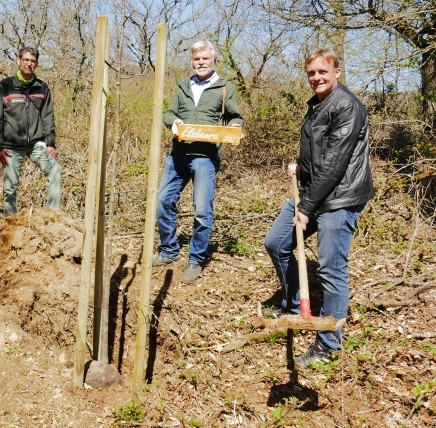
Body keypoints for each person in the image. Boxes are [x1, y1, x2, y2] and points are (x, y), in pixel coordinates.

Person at [264, 49, 374, 368]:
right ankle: (299, 305)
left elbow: (336, 163)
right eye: (311, 73)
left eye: (323, 72)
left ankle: (328, 345)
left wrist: (308, 206)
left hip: (341, 197)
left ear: (337, 72)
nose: (317, 78)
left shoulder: (347, 106)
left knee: (330, 266)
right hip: (314, 191)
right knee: (276, 242)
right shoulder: (317, 104)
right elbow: (319, 150)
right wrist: (300, 164)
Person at [152, 40, 244, 284]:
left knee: (202, 210)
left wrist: (235, 130)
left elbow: (235, 117)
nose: (201, 63)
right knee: (162, 201)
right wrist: (174, 124)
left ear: (214, 61)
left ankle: (196, 260)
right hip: (178, 156)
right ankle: (169, 251)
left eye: (205, 58)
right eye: (196, 59)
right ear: (192, 62)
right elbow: (170, 113)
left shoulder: (224, 87)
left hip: (205, 158)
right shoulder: (183, 86)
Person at [0, 46, 62, 216]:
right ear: (18, 61)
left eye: (33, 61)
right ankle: (11, 224)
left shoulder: (42, 88)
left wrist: (50, 144)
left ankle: (53, 217)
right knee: (9, 190)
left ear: (36, 64)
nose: (29, 64)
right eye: (26, 60)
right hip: (11, 146)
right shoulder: (5, 86)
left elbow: (48, 117)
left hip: (36, 144)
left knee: (55, 169)